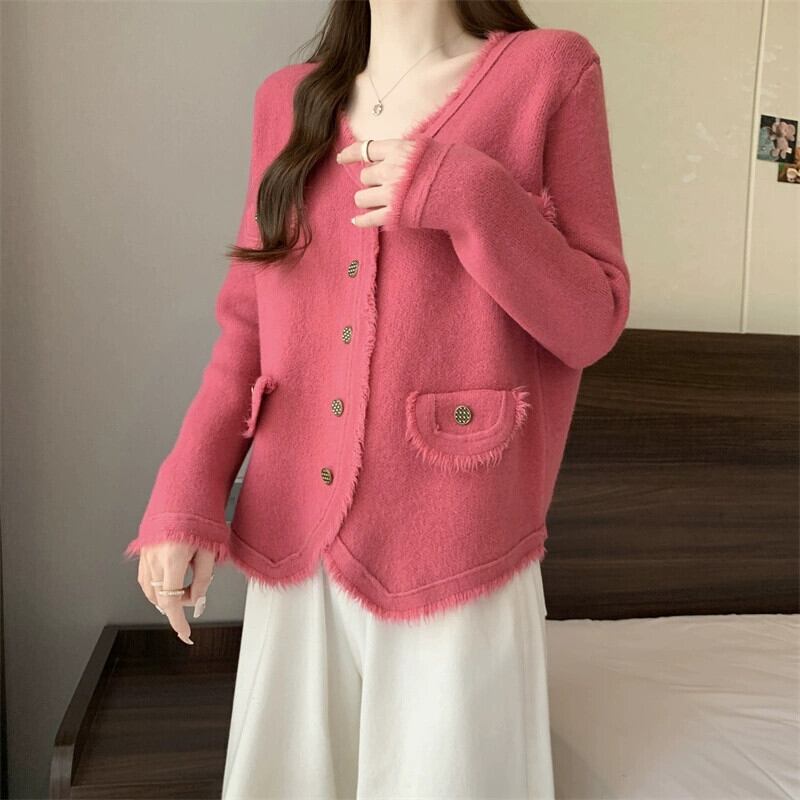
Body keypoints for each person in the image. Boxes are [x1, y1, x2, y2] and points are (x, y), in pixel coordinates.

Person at [124, 1, 630, 797]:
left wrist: (472, 195)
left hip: (459, 545)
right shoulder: (288, 99)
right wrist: (184, 498)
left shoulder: (551, 73)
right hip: (293, 544)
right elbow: (247, 326)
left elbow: (592, 322)